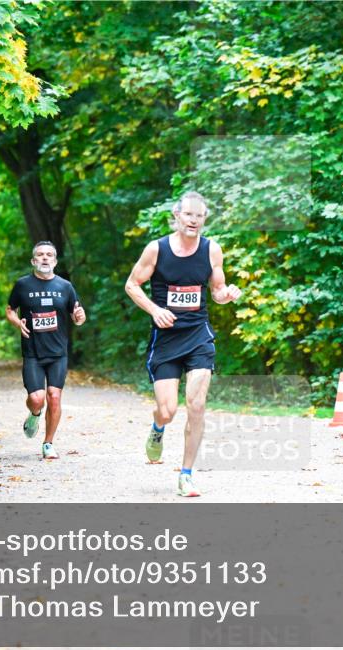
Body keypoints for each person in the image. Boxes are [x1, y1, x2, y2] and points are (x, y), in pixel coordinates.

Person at [124, 191, 241, 497]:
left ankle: (186, 475)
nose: (194, 221)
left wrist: (226, 295)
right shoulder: (157, 249)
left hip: (198, 335)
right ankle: (158, 427)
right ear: (177, 216)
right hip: (166, 339)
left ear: (204, 219)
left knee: (197, 405)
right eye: (188, 214)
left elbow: (216, 291)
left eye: (199, 216)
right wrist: (155, 310)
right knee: (168, 411)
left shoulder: (212, 250)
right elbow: (132, 285)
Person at [6, 242, 86, 460]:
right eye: (40, 255)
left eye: (49, 255)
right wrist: (17, 323)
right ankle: (34, 414)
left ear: (55, 261)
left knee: (54, 396)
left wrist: (80, 317)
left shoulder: (65, 286)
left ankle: (48, 443)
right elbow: (10, 310)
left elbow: (77, 315)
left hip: (58, 352)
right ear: (33, 261)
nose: (45, 258)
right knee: (37, 398)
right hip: (32, 352)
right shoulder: (23, 285)